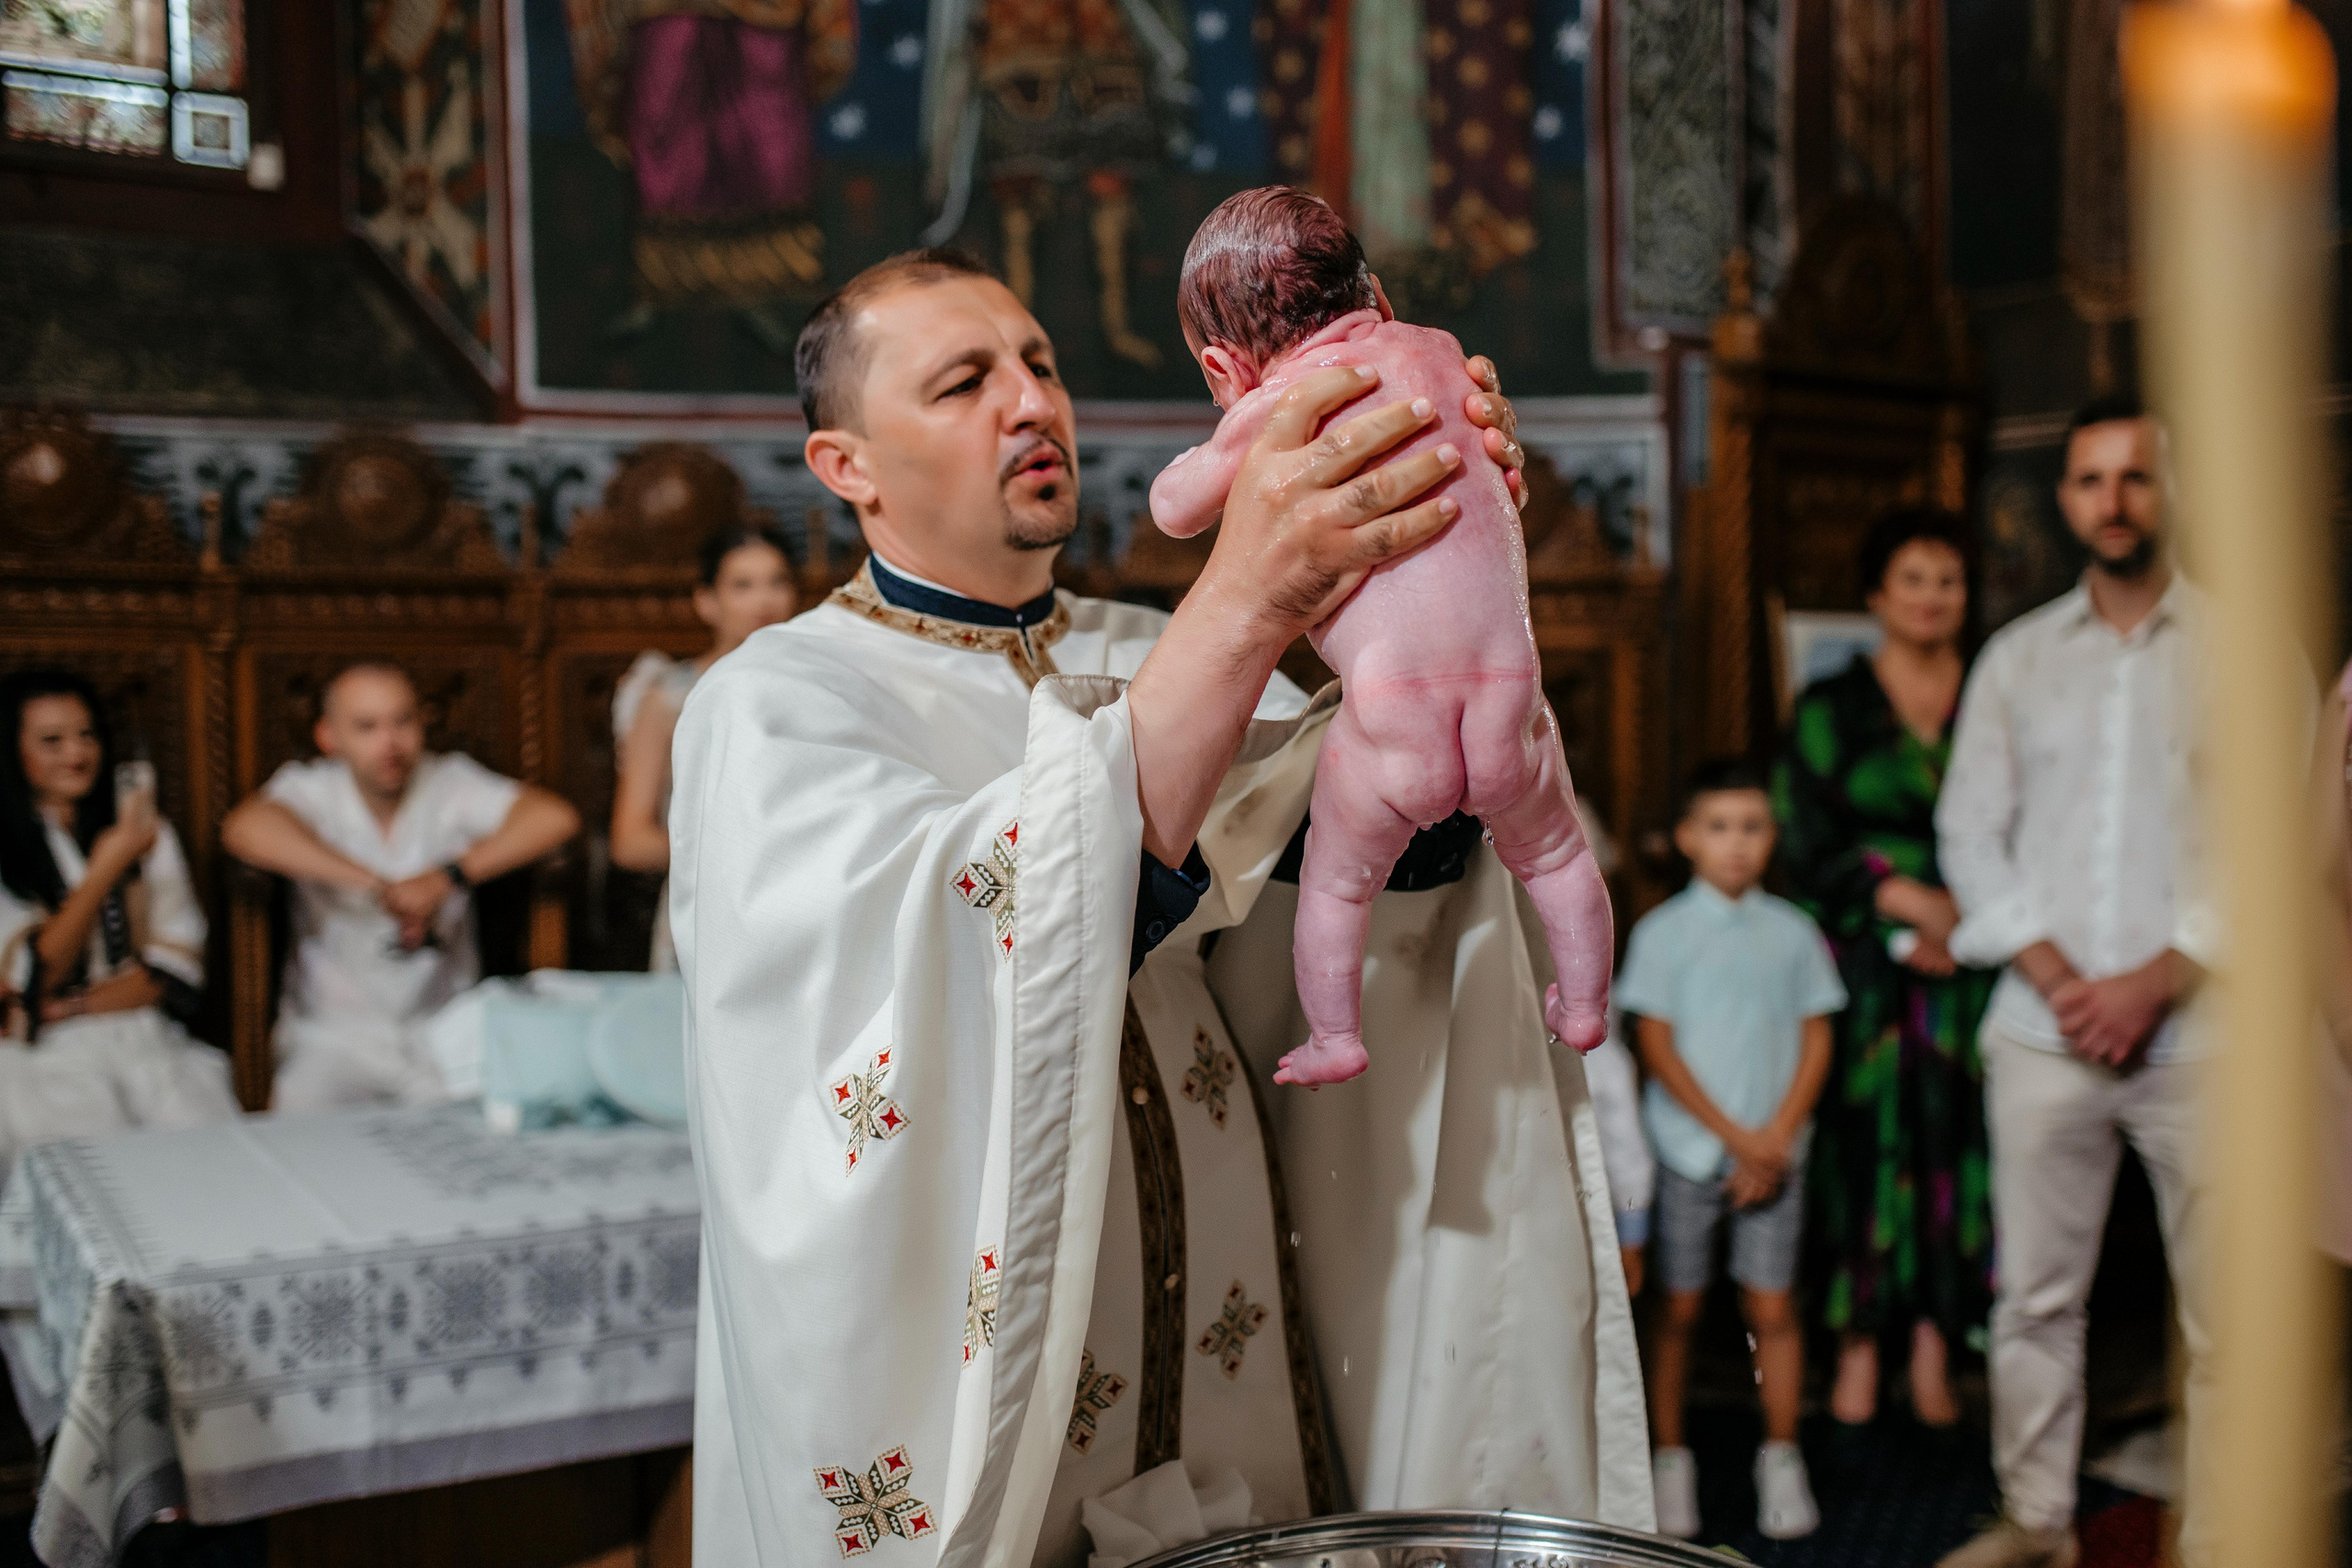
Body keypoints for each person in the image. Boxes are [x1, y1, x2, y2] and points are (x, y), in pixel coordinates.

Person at [672, 248, 1649, 1567]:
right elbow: (978, 952)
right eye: (964, 382)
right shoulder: (776, 701)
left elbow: (1407, 888)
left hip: (1232, 1292)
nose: (1032, 402)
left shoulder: (1144, 646)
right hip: (994, 1344)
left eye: (1040, 365)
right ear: (847, 465)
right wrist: (1246, 597)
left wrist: (1441, 570)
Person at [1153, 186, 1613, 1085]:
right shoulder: (1443, 357)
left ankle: (1336, 1036)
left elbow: (1174, 508)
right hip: (1511, 701)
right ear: (1382, 300)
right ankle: (1588, 1007)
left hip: (1389, 721)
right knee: (1559, 853)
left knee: (1338, 887)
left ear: (1222, 366)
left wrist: (1224, 439)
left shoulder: (1279, 404)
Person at [1934, 392, 2220, 1568]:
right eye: (2092, 478)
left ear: (2173, 490)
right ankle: (2039, 1526)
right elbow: (1968, 831)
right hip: (2041, 1035)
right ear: (2064, 499)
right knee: (2036, 1302)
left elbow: (2286, 843)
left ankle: (2226, 1534)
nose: (2114, 501)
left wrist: (2158, 979)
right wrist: (2065, 983)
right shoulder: (2016, 658)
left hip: (2203, 1040)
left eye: (2136, 476)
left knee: (2231, 1317)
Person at [1771, 508, 1997, 1430]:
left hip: (1981, 951)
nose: (1931, 597)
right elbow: (1801, 834)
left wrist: (1965, 914)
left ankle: (1936, 1344)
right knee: (1864, 1145)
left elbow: (2038, 821)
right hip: (1865, 962)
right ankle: (1858, 1342)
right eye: (1912, 578)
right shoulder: (1832, 706)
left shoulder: (1998, 693)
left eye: (1948, 579)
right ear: (1876, 593)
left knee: (1959, 1140)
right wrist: (1901, 899)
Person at [1618, 759, 1845, 1542]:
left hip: (1778, 1155)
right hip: (1688, 1153)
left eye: (1752, 826)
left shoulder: (1794, 931)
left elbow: (1817, 1035)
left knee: (1772, 1306)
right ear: (1688, 837)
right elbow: (1657, 1046)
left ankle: (1780, 1453)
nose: (1737, 843)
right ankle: (1668, 1456)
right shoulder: (1662, 933)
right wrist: (1736, 1137)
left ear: (1772, 836)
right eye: (1719, 827)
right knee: (1678, 1306)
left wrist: (1774, 1137)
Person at [220, 663, 581, 1112]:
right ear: (328, 736)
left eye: (403, 721)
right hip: (331, 1037)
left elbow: (554, 818)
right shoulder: (311, 787)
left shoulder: (449, 781)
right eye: (367, 727)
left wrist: (446, 878)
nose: (390, 744)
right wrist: (378, 887)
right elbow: (245, 829)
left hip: (442, 1030)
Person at [0, 669, 239, 1168]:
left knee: (208, 1151)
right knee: (89, 1156)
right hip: (42, 1054)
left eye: (87, 735)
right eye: (52, 741)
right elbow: (33, 977)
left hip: (141, 1032)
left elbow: (174, 968)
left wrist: (74, 1006)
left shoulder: (143, 828)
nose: (76, 754)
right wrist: (105, 868)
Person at [608, 522, 800, 970]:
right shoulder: (669, 698)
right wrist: (736, 852)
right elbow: (630, 841)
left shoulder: (817, 691)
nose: (764, 601)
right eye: (743, 585)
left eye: (777, 582)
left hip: (799, 899)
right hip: (707, 904)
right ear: (707, 601)